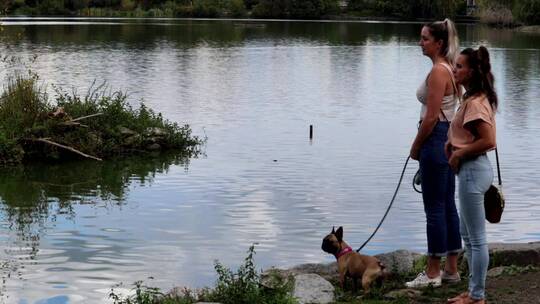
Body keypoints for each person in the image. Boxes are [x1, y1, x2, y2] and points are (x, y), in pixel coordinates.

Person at [406, 19, 462, 288]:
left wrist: (416, 145)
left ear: (438, 43)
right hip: (447, 139)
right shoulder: (450, 68)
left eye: (425, 38)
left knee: (435, 208)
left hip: (435, 138)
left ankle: (431, 273)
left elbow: (430, 118)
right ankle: (451, 269)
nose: (421, 42)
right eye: (421, 38)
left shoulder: (439, 72)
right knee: (447, 204)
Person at [446, 46, 497, 304]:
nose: (454, 70)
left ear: (472, 71)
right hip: (472, 170)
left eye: (459, 67)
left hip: (473, 171)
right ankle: (472, 290)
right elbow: (470, 134)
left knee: (476, 240)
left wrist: (459, 153)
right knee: (468, 236)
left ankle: (477, 297)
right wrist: (451, 143)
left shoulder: (475, 102)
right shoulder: (472, 98)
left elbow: (488, 140)